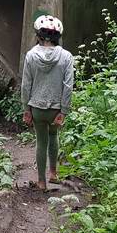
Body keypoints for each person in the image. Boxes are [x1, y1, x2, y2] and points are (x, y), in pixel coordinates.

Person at [20, 15, 74, 190]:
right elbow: (68, 86)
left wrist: (26, 108)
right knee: (53, 136)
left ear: (38, 35)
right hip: (55, 108)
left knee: (41, 142)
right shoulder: (66, 57)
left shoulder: (31, 56)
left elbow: (26, 84)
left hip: (37, 107)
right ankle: (53, 174)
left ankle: (41, 182)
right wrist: (63, 111)